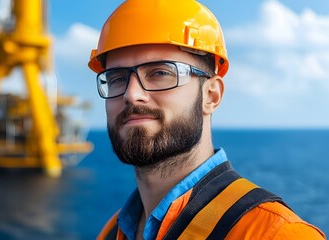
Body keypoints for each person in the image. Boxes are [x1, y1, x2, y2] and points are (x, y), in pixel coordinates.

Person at [88, 0, 326, 239]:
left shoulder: (275, 233)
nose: (132, 94)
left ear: (211, 95)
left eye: (160, 73)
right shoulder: (113, 230)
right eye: (117, 78)